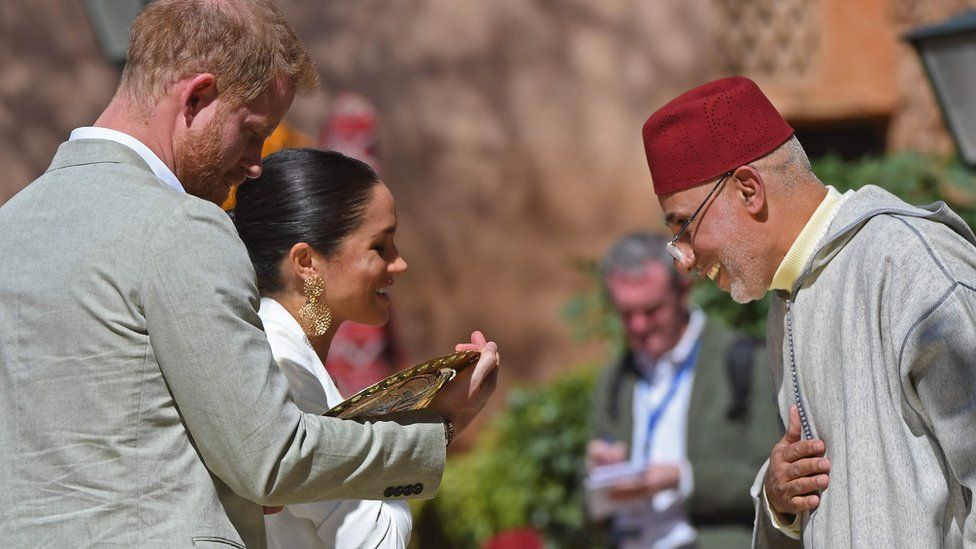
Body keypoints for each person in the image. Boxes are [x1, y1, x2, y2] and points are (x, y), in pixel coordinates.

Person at [0, 2, 498, 547]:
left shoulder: (11, 226)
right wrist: (438, 425)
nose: (257, 163)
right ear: (197, 98)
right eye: (254, 131)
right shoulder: (183, 226)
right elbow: (270, 458)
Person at [641, 76, 976, 547]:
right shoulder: (789, 299)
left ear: (748, 190)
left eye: (685, 227)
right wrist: (779, 500)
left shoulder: (909, 263)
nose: (685, 258)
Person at [231, 147, 452, 548]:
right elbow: (375, 540)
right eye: (380, 247)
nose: (399, 264)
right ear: (306, 263)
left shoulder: (290, 350)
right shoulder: (281, 365)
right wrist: (450, 419)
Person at [586, 232, 780, 548]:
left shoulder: (742, 361)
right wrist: (602, 481)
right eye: (626, 314)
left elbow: (772, 479)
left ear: (682, 291)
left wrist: (683, 479)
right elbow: (589, 509)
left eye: (651, 310)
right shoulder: (616, 380)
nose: (638, 326)